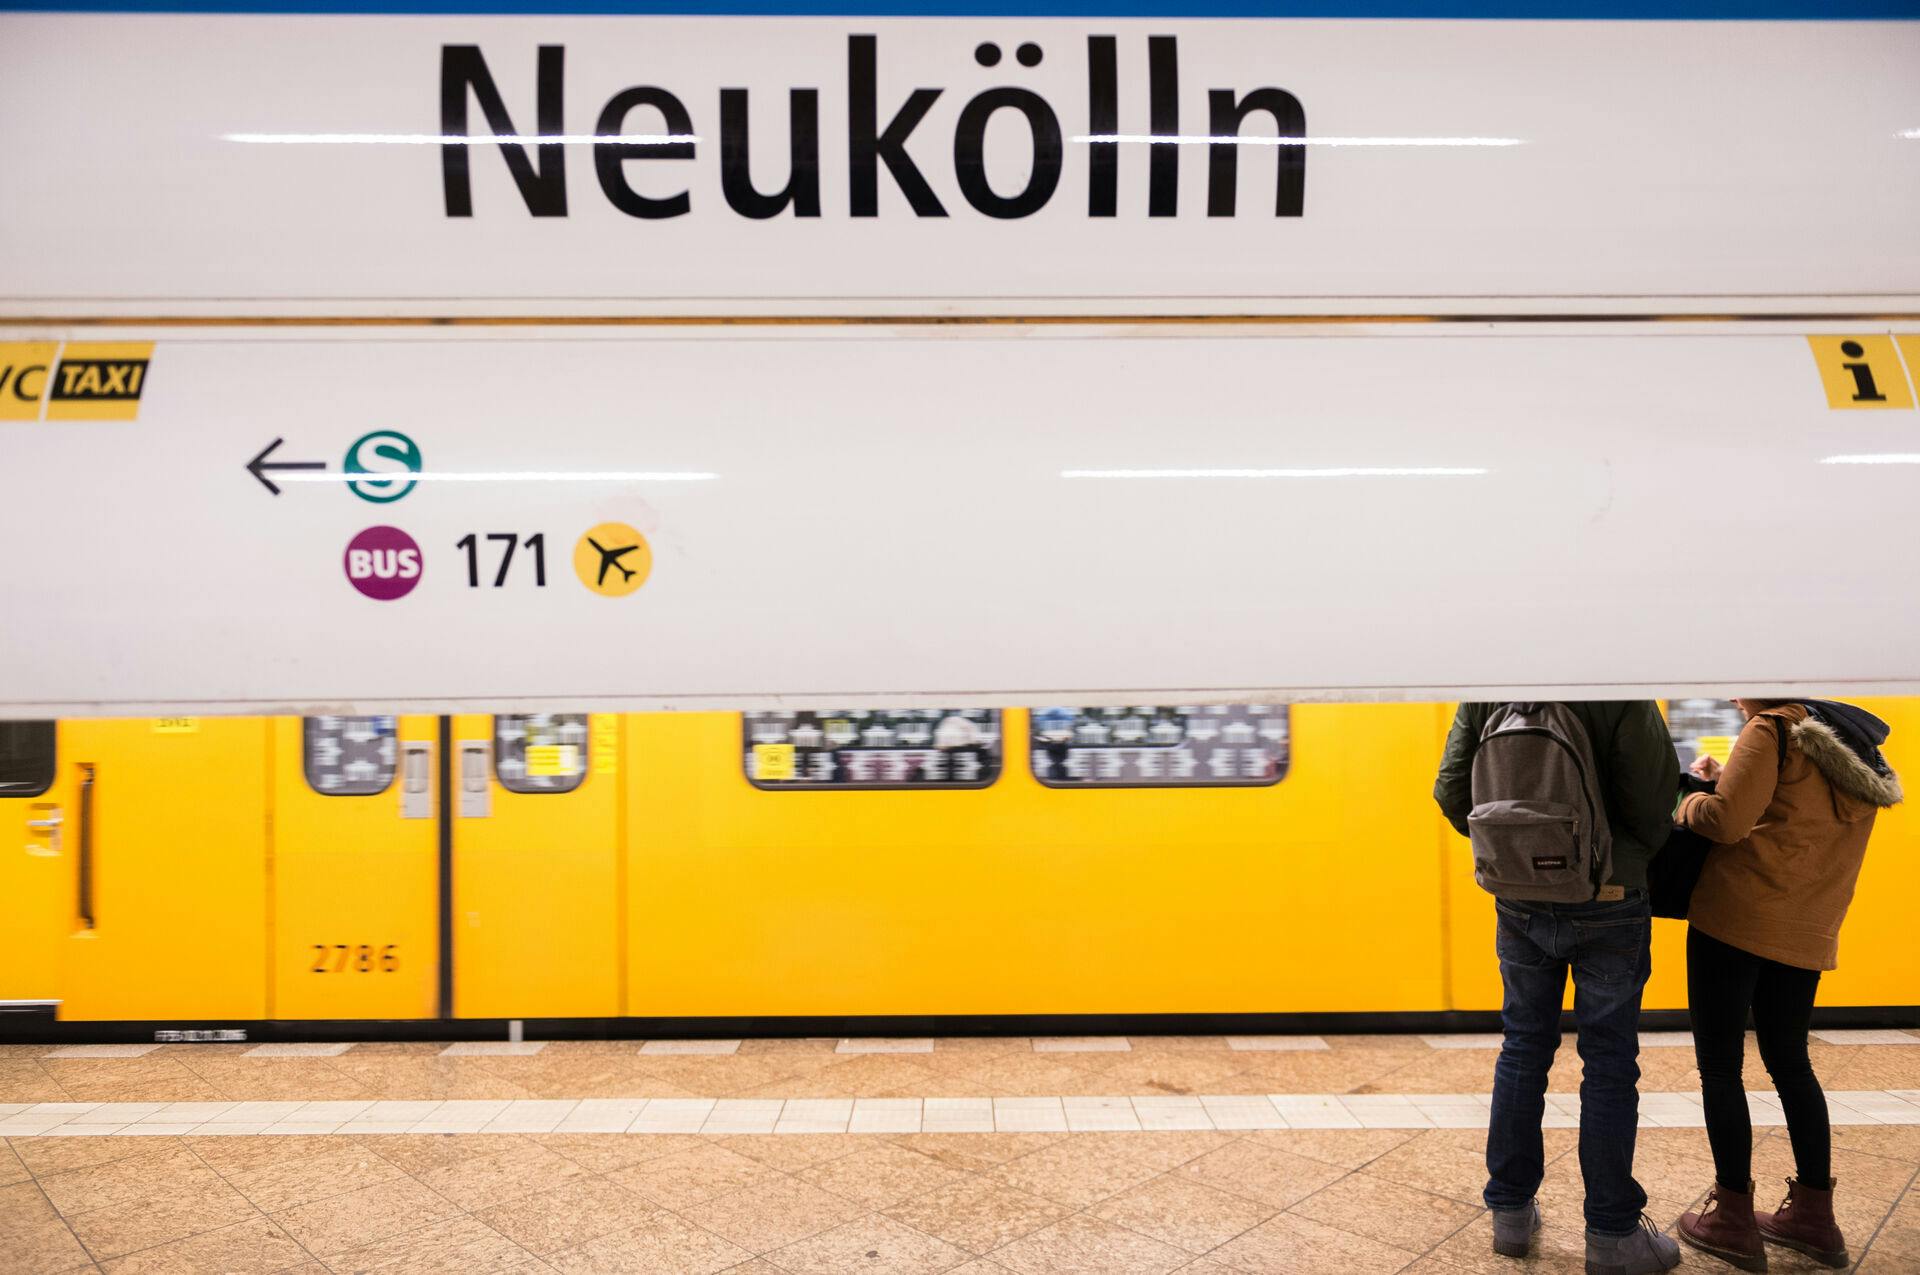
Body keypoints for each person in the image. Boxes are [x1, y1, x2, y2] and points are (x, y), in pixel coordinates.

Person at [1435, 701, 1680, 1275]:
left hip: (1518, 897)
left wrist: (1515, 848)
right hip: (1610, 900)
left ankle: (1511, 1214)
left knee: (1522, 1046)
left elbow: (1451, 791)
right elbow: (1652, 800)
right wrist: (1619, 858)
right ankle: (1613, 1234)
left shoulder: (1489, 690)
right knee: (1610, 1061)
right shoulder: (1618, 688)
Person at [1674, 699, 1902, 1272]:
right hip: (1807, 923)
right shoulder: (1852, 744)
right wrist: (1727, 784)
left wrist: (1689, 800)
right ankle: (1814, 1217)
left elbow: (1726, 823)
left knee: (1721, 1066)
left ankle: (1731, 1218)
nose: (1731, 698)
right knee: (1791, 1063)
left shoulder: (1770, 729)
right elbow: (1795, 817)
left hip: (1737, 916)